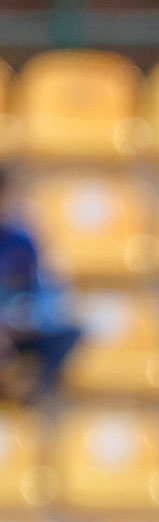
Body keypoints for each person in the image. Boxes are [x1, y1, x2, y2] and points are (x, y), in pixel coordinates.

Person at [0, 169, 81, 402]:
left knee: (69, 330)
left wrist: (27, 318)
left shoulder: (24, 238)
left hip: (18, 324)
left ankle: (30, 391)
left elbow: (51, 291)